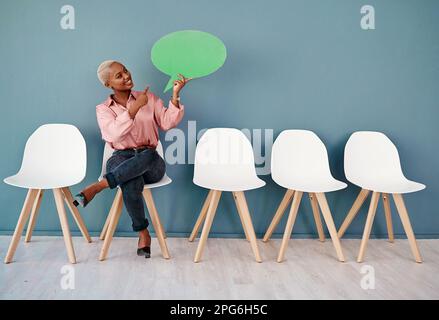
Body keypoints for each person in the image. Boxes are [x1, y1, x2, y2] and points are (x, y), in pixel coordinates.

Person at [75, 60, 191, 258]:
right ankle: (143, 233)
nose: (127, 76)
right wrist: (134, 109)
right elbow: (112, 136)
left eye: (126, 70)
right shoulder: (103, 109)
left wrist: (175, 95)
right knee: (131, 179)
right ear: (108, 84)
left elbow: (167, 122)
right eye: (119, 75)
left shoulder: (149, 98)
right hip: (120, 158)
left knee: (146, 155)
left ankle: (100, 186)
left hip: (150, 162)